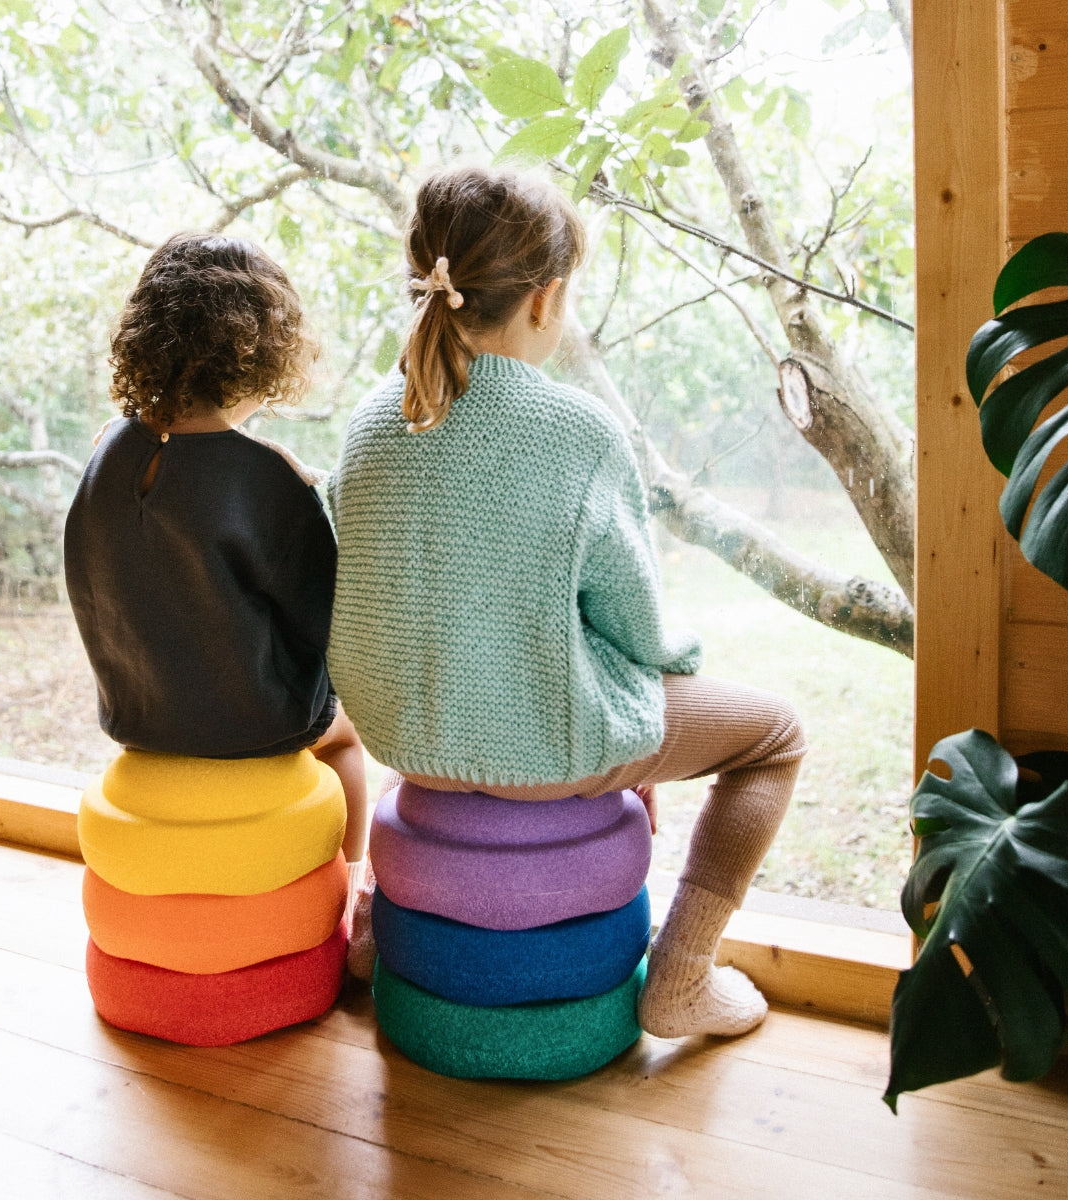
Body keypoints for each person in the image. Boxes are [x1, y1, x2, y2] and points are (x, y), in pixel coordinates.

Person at [327, 166, 805, 1039]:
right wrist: (666, 682)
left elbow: (373, 591)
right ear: (544, 300)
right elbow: (641, 629)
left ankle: (369, 935)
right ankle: (684, 976)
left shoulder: (365, 424)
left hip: (408, 735)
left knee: (453, 670)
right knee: (776, 735)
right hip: (541, 747)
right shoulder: (578, 434)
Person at [64, 231, 367, 869]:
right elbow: (330, 627)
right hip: (257, 727)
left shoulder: (104, 453)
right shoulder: (266, 480)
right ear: (262, 356)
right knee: (344, 740)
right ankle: (352, 890)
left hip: (138, 716)